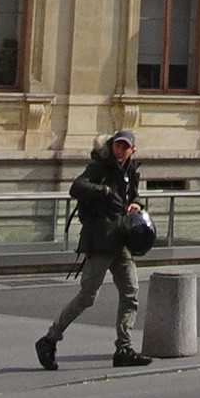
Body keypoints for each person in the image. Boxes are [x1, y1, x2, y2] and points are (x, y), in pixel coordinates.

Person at [36, 131, 150, 370]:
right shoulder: (100, 167)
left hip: (121, 241)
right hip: (100, 242)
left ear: (132, 150)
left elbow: (135, 196)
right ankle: (49, 339)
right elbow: (76, 187)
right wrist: (104, 192)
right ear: (112, 146)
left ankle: (124, 348)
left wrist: (136, 204)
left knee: (131, 293)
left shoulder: (130, 171)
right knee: (88, 296)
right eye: (118, 145)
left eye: (125, 147)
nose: (121, 150)